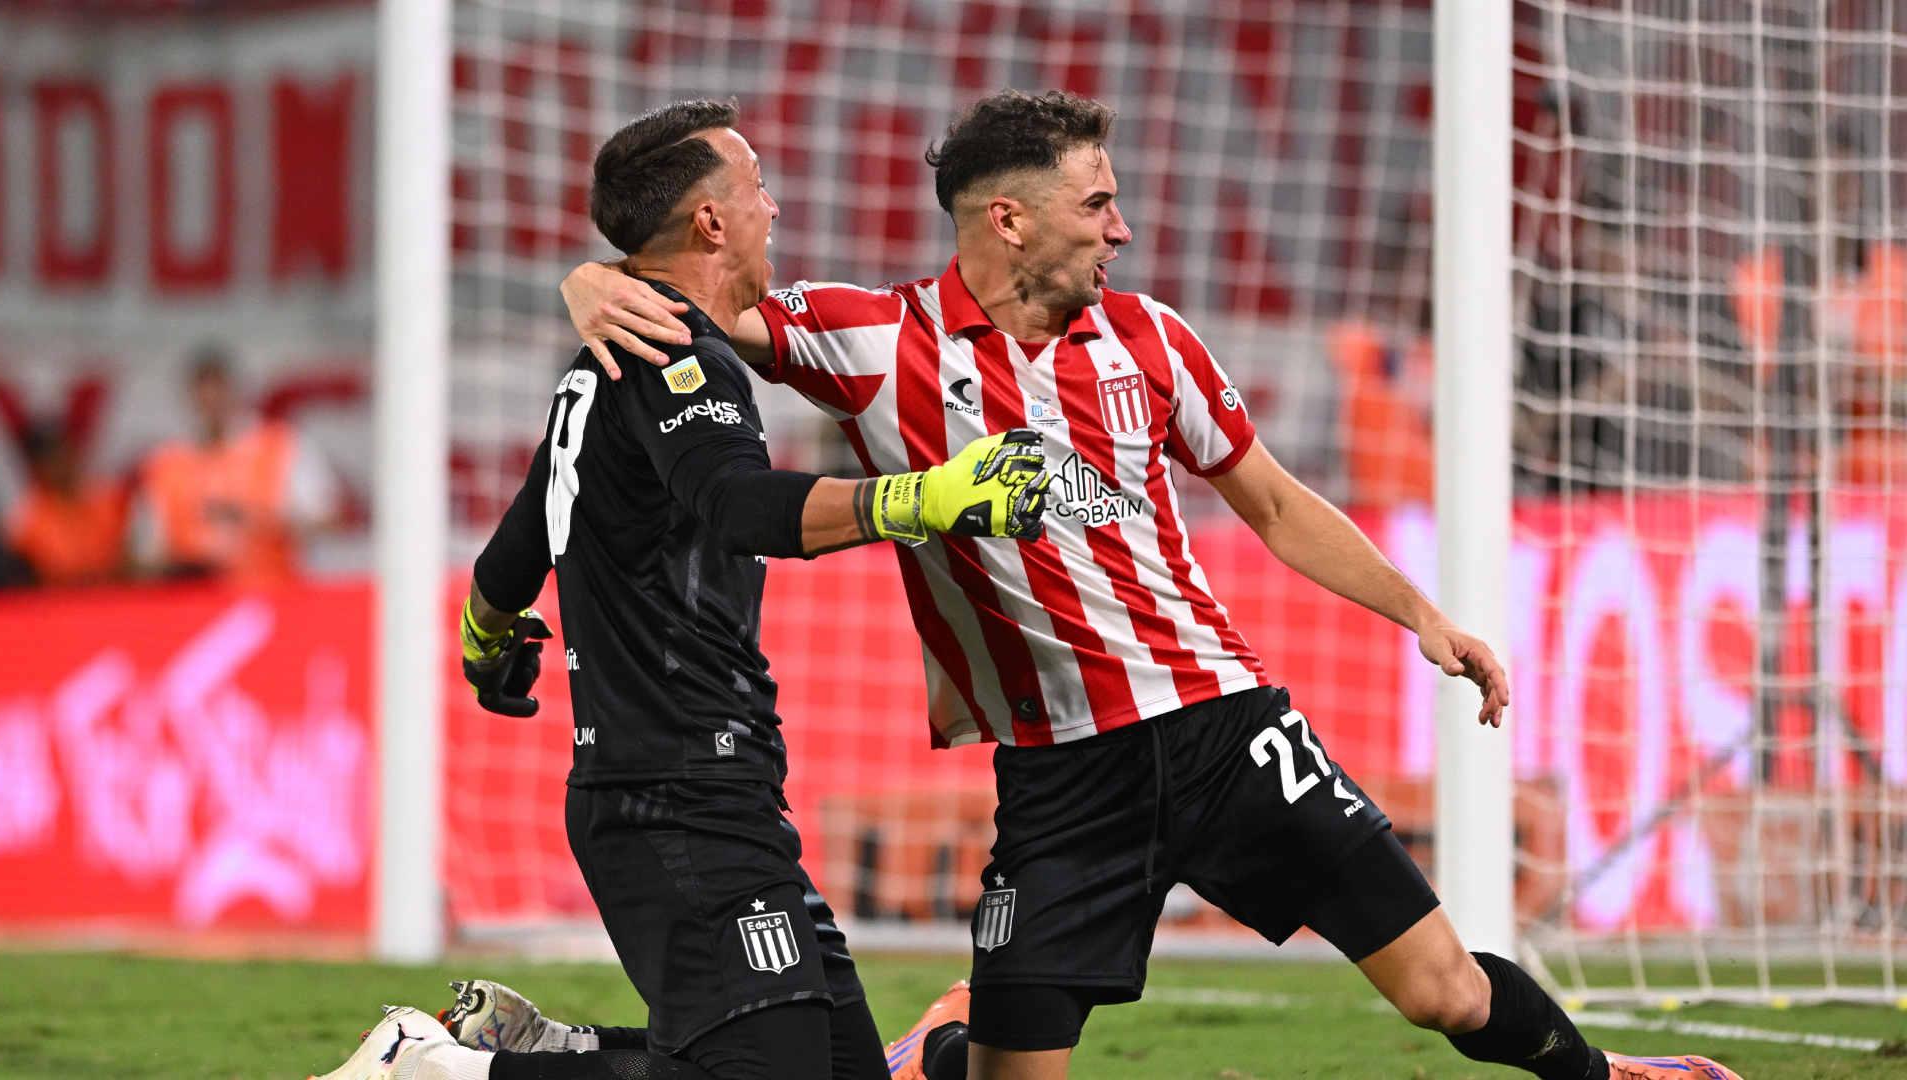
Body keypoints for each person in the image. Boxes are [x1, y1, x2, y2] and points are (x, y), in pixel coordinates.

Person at [556, 90, 1745, 1080]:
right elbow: (688, 296)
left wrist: (1420, 614)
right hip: (1061, 779)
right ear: (1010, 219)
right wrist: (587, 280)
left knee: (1447, 992)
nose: (1120, 230)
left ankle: (1606, 1077)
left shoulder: (1155, 342)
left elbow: (1273, 503)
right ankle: (940, 1051)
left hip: (1228, 731)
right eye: (1096, 204)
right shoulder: (868, 342)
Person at [309, 99, 1046, 1080]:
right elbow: (738, 505)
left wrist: (486, 636)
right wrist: (931, 497)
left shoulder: (605, 356)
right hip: (674, 789)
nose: (772, 208)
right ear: (709, 221)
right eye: (755, 189)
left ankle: (541, 1050)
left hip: (699, 784)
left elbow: (519, 544)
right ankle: (435, 1071)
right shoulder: (672, 351)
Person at [133, 350, 337, 584]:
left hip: (271, 592)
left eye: (218, 391)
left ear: (236, 391)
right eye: (203, 394)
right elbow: (144, 553)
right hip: (190, 597)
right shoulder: (165, 464)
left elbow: (327, 520)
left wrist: (257, 519)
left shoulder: (280, 446)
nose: (211, 402)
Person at [4, 420, 128, 584]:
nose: (62, 464)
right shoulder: (27, 522)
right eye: (52, 459)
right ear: (38, 468)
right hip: (58, 598)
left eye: (64, 454)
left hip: (114, 595)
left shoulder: (109, 500)